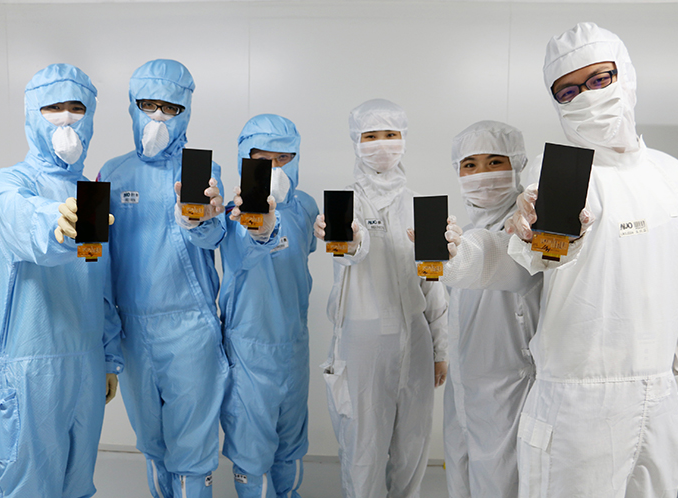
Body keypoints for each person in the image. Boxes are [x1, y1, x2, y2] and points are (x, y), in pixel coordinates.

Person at [504, 22, 678, 497]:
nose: (588, 97)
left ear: (625, 74)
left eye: (599, 79)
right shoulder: (556, 170)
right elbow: (537, 257)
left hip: (659, 396)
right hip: (577, 403)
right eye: (569, 91)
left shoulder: (670, 173)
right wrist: (527, 234)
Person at [0, 63, 123, 498]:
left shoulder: (92, 192)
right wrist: (56, 223)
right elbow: (27, 224)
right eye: (53, 107)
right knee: (27, 488)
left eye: (76, 108)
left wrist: (108, 358)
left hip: (85, 365)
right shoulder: (8, 183)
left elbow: (100, 283)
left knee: (77, 486)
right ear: (32, 113)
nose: (66, 118)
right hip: (30, 368)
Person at [98, 59, 228, 498]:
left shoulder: (201, 171)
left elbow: (214, 236)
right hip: (133, 330)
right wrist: (107, 349)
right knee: (152, 443)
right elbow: (97, 263)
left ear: (185, 111)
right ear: (132, 105)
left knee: (192, 447)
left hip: (189, 326)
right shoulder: (111, 173)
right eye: (148, 104)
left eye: (170, 108)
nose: (158, 116)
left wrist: (202, 219)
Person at [315, 98, 448, 498]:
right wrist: (351, 244)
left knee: (412, 447)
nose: (382, 144)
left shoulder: (420, 205)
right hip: (362, 339)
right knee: (363, 448)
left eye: (390, 134)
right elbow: (348, 255)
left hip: (416, 340)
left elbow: (432, 281)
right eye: (371, 136)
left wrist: (441, 348)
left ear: (404, 139)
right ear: (356, 142)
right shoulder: (344, 203)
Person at [433, 121, 543, 498]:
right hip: (465, 388)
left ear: (517, 164)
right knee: (461, 479)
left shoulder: (530, 230)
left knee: (502, 484)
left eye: (495, 162)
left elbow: (502, 263)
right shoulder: (462, 231)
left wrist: (458, 259)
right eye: (470, 165)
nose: (482, 174)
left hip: (510, 388)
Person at [218, 114, 317, 498]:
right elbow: (242, 252)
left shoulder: (306, 207)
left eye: (283, 158)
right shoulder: (232, 214)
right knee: (252, 447)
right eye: (263, 160)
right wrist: (259, 230)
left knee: (291, 443)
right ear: (246, 160)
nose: (274, 168)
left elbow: (304, 253)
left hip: (294, 343)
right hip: (250, 346)